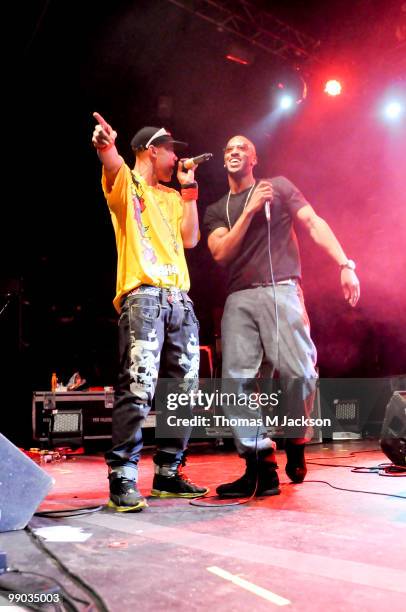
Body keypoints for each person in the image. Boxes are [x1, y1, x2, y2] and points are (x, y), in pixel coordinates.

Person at [204, 135, 360, 498]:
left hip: (283, 290)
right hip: (239, 298)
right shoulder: (217, 209)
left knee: (301, 371)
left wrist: (345, 263)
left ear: (254, 157)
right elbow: (221, 253)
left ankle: (297, 438)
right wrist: (249, 210)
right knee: (237, 383)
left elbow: (314, 222)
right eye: (228, 149)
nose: (233, 152)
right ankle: (262, 467)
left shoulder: (280, 187)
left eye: (241, 148)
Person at [92, 112, 208, 511]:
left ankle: (168, 473)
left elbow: (191, 239)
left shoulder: (174, 196)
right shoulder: (129, 184)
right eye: (171, 150)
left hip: (180, 301)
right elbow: (112, 162)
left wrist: (189, 188)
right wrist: (107, 146)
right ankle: (122, 477)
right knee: (139, 387)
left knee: (183, 393)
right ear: (151, 149)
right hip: (144, 297)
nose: (176, 158)